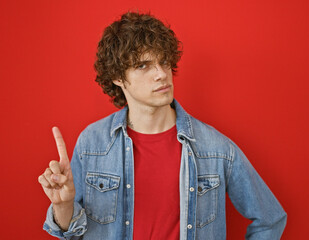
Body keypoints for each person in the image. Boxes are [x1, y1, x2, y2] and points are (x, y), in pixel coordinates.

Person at [38, 12, 287, 240]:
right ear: (117, 77)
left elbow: (270, 219)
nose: (161, 74)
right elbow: (68, 232)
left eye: (164, 61)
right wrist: (63, 206)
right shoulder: (92, 143)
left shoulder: (216, 148)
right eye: (143, 65)